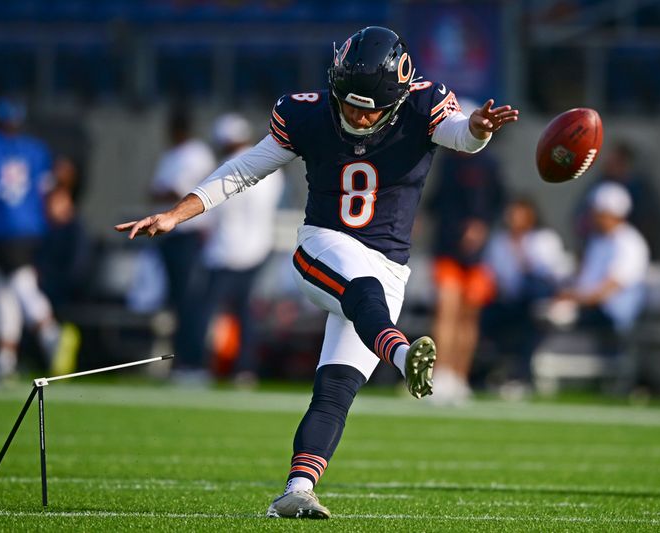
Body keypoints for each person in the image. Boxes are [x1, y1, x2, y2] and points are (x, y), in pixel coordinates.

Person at [116, 26, 518, 519]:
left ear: (395, 98)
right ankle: (405, 353)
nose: (357, 114)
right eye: (349, 102)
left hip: (388, 268)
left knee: (335, 390)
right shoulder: (307, 113)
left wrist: (478, 128)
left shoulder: (422, 105)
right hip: (321, 249)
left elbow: (461, 136)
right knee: (361, 289)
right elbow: (245, 169)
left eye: (369, 107)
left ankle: (297, 489)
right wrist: (176, 215)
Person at [0, 98, 76, 379]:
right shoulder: (35, 149)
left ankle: (51, 334)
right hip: (30, 228)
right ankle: (5, 356)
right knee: (2, 287)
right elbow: (62, 173)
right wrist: (60, 196)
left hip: (1, 227)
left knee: (19, 284)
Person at [197, 113, 285, 383]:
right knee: (246, 315)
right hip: (257, 250)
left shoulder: (227, 167)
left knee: (208, 312)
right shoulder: (274, 170)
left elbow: (215, 213)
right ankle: (244, 369)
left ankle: (200, 365)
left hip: (224, 251)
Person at [424, 139, 506, 405]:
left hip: (477, 257)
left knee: (468, 317)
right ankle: (442, 373)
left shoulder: (490, 165)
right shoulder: (448, 164)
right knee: (447, 312)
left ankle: (459, 376)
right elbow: (436, 202)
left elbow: (497, 204)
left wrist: (481, 226)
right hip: (448, 250)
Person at [149, 108, 216, 374]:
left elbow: (178, 193)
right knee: (176, 301)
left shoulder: (196, 154)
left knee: (191, 301)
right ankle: (179, 360)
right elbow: (156, 191)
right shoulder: (172, 155)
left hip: (190, 235)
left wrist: (167, 194)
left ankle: (193, 361)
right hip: (172, 236)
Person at [482, 196, 568, 392]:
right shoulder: (499, 241)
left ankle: (522, 375)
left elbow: (553, 274)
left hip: (535, 302)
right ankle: (489, 371)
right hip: (508, 302)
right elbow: (492, 275)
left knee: (532, 309)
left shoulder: (544, 239)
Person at [556, 183, 649, 344]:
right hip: (591, 309)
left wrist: (576, 299)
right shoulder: (598, 241)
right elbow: (585, 282)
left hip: (611, 317)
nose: (593, 216)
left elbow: (609, 289)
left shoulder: (630, 243)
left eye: (598, 212)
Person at [573, 140, 660, 258]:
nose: (597, 217)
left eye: (616, 161)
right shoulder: (599, 184)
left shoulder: (629, 244)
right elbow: (579, 217)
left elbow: (650, 222)